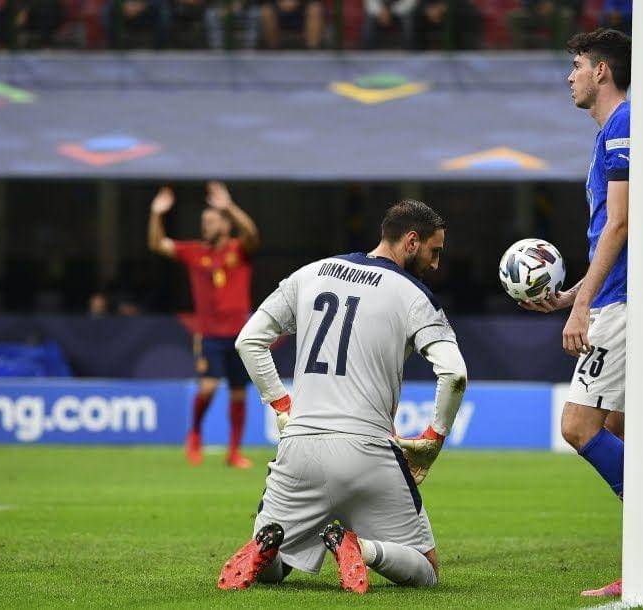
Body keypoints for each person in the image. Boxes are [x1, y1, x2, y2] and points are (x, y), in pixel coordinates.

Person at [520, 28, 643, 597]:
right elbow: (615, 234)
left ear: (601, 71)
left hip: (625, 304)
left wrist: (584, 306)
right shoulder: (618, 129)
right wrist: (573, 293)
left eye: (576, 65)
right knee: (616, 431)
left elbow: (620, 224)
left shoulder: (623, 124)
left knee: (577, 426)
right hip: (632, 295)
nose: (569, 76)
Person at [218, 200, 467, 594]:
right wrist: (433, 439)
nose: (436, 264)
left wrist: (281, 405)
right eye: (434, 251)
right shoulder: (414, 295)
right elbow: (454, 374)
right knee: (426, 569)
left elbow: (248, 340)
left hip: (299, 447)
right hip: (368, 450)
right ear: (411, 242)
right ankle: (361, 548)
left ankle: (268, 547)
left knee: (274, 567)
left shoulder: (310, 273)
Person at [147, 182, 260, 468]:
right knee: (208, 387)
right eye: (203, 222)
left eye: (211, 221)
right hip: (211, 336)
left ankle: (233, 452)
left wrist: (229, 207)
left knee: (238, 393)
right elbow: (157, 244)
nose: (205, 226)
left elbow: (252, 233)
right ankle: (195, 434)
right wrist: (156, 214)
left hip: (240, 336)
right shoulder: (195, 252)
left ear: (225, 224)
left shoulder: (239, 249)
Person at [258, 0, 324, 49]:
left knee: (315, 9)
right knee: (266, 11)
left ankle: (312, 51)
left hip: (302, 9)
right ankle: (272, 52)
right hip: (277, 9)